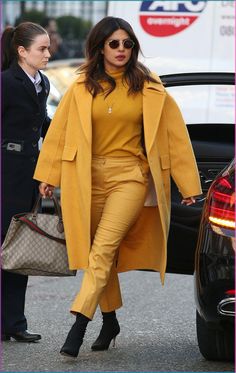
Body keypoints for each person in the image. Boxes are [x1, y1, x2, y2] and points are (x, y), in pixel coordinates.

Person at [34, 16, 202, 357]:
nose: (122, 49)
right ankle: (109, 320)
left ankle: (78, 324)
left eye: (128, 43)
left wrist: (188, 184)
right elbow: (60, 133)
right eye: (115, 43)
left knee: (103, 248)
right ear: (100, 47)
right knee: (100, 253)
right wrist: (48, 176)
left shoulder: (149, 87)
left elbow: (175, 137)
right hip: (86, 178)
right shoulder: (81, 86)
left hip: (131, 177)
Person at [1, 22, 51, 342]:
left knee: (18, 250)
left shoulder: (42, 83)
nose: (48, 54)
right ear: (22, 51)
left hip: (28, 175)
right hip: (4, 172)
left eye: (48, 48)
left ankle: (13, 324)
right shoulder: (5, 83)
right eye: (42, 49)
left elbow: (43, 124)